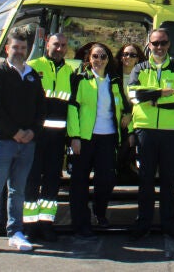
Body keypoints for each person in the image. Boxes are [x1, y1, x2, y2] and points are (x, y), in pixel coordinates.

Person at [0, 31, 45, 256]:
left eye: (23, 48)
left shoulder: (32, 76)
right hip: (1, 141)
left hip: (27, 143)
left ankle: (15, 232)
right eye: (15, 48)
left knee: (18, 191)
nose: (19, 52)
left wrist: (33, 131)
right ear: (7, 49)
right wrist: (14, 132)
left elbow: (41, 107)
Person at [128, 28, 174, 240]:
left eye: (163, 43)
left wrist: (152, 99)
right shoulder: (140, 68)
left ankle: (169, 223)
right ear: (149, 45)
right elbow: (134, 95)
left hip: (170, 132)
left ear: (169, 44)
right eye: (155, 43)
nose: (159, 47)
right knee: (145, 179)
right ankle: (143, 223)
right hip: (145, 130)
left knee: (168, 180)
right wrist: (163, 93)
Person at [67, 42, 128, 237]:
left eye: (103, 56)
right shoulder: (81, 79)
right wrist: (74, 137)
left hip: (108, 138)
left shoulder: (114, 81)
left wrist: (129, 120)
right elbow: (73, 108)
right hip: (85, 138)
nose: (99, 60)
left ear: (108, 59)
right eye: (95, 56)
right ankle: (80, 222)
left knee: (106, 180)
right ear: (89, 59)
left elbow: (124, 107)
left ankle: (100, 213)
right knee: (79, 182)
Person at [24, 33, 78, 242]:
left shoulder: (70, 71)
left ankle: (47, 224)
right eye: (56, 44)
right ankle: (29, 225)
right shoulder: (32, 67)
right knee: (31, 181)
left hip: (57, 139)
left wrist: (72, 136)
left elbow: (71, 107)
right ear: (47, 44)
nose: (60, 48)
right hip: (34, 137)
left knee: (52, 182)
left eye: (63, 45)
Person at [115, 43, 143, 179]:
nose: (128, 57)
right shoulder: (113, 75)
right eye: (125, 54)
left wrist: (129, 116)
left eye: (132, 55)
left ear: (137, 59)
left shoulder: (142, 76)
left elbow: (141, 101)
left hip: (133, 117)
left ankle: (125, 168)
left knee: (130, 141)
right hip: (115, 116)